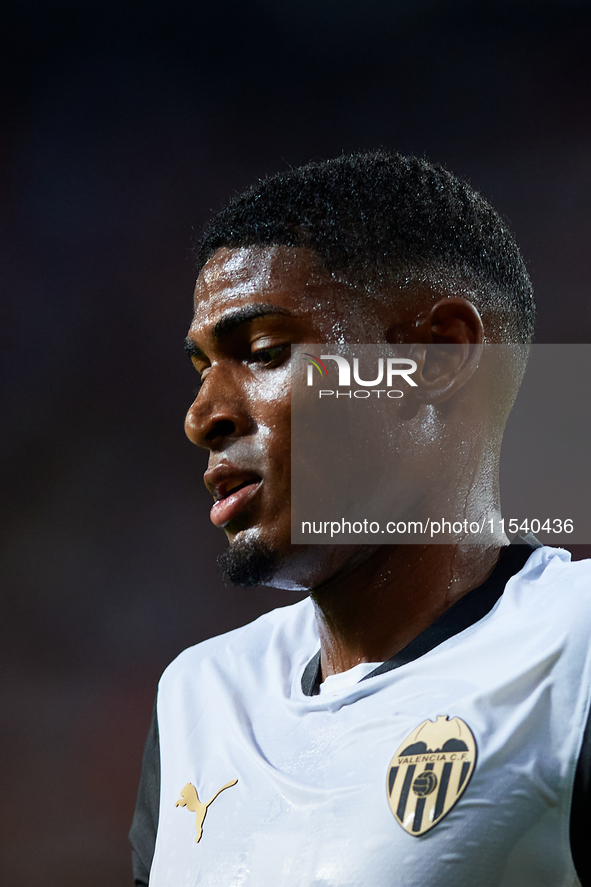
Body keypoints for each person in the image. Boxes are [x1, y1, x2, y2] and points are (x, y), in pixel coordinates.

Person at [129, 152, 591, 886]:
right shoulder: (201, 695)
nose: (202, 417)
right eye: (201, 368)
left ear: (435, 358)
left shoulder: (572, 646)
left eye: (264, 351)